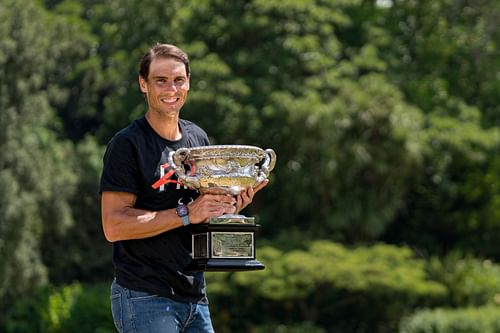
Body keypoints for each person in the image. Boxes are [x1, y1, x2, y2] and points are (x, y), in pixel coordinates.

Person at [99, 43, 268, 333]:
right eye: (160, 80)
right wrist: (186, 212)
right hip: (145, 294)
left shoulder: (197, 139)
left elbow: (201, 216)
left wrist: (228, 206)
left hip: (194, 296)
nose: (171, 89)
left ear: (188, 83)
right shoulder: (127, 145)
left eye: (178, 80)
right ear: (143, 84)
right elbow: (113, 226)